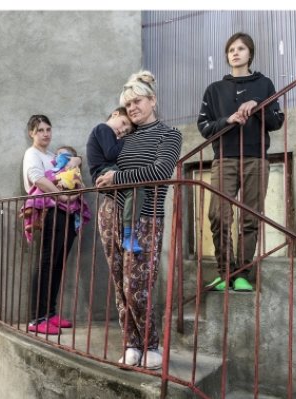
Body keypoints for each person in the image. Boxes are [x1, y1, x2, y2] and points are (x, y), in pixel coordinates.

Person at [96, 71, 183, 370]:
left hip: (146, 218)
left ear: (153, 100)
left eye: (137, 101)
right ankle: (130, 343)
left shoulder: (169, 135)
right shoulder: (124, 137)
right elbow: (102, 165)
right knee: (120, 285)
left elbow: (160, 172)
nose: (132, 108)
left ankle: (151, 344)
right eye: (128, 104)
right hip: (112, 214)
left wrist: (117, 178)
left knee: (139, 284)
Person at [197, 32, 285, 292]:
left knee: (249, 217)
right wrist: (228, 120)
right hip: (224, 159)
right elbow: (204, 126)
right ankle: (225, 272)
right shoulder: (214, 90)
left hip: (256, 159)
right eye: (231, 49)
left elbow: (276, 121)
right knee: (218, 216)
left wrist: (257, 105)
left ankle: (242, 274)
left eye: (241, 48)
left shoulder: (264, 84)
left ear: (250, 54)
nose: (235, 53)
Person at [21, 115, 85, 335]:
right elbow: (37, 178)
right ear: (31, 133)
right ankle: (36, 319)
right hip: (49, 211)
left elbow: (71, 169)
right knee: (46, 262)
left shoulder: (52, 155)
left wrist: (76, 161)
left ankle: (50, 313)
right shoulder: (32, 154)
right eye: (40, 130)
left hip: (66, 211)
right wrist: (63, 197)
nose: (46, 134)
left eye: (48, 129)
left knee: (58, 263)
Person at [86, 107, 140, 253]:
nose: (123, 131)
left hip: (106, 172)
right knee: (136, 187)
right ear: (115, 114)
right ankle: (129, 235)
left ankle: (129, 233)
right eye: (123, 123)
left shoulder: (108, 133)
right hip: (103, 172)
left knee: (135, 191)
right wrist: (125, 140)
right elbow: (110, 154)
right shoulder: (103, 128)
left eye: (127, 131)